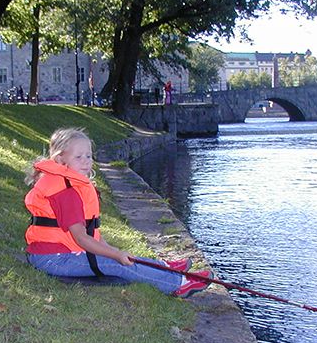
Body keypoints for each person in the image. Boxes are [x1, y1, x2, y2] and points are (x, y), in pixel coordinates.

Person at [24, 127, 213, 297]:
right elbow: (82, 239)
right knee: (117, 263)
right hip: (53, 260)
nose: (86, 162)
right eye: (78, 157)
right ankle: (177, 284)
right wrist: (114, 255)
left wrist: (113, 251)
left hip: (61, 255)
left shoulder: (70, 184)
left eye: (88, 156)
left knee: (121, 256)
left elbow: (92, 234)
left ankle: (166, 269)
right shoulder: (66, 193)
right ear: (60, 159)